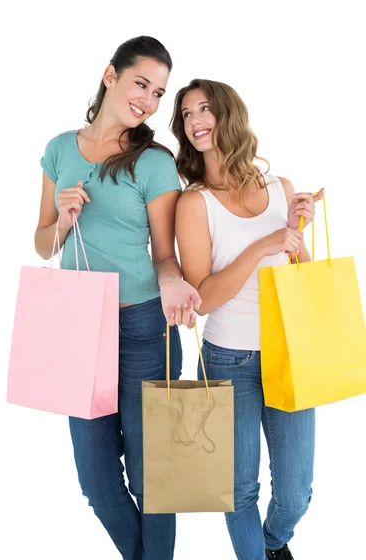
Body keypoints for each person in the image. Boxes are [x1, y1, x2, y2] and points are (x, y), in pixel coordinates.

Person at [34, 36, 201, 560]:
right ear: (110, 75)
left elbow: (165, 254)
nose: (148, 100)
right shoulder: (60, 148)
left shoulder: (152, 162)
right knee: (97, 482)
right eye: (141, 83)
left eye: (158, 92)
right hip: (78, 325)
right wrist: (61, 219)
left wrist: (173, 280)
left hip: (143, 325)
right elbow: (42, 243)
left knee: (154, 478)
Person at [172, 78, 323, 560]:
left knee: (296, 494)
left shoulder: (280, 188)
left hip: (289, 353)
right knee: (239, 492)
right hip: (229, 358)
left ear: (228, 114)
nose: (195, 120)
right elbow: (205, 298)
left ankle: (272, 545)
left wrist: (296, 233)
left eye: (204, 109)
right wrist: (263, 244)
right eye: (186, 113)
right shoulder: (194, 203)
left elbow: (296, 273)